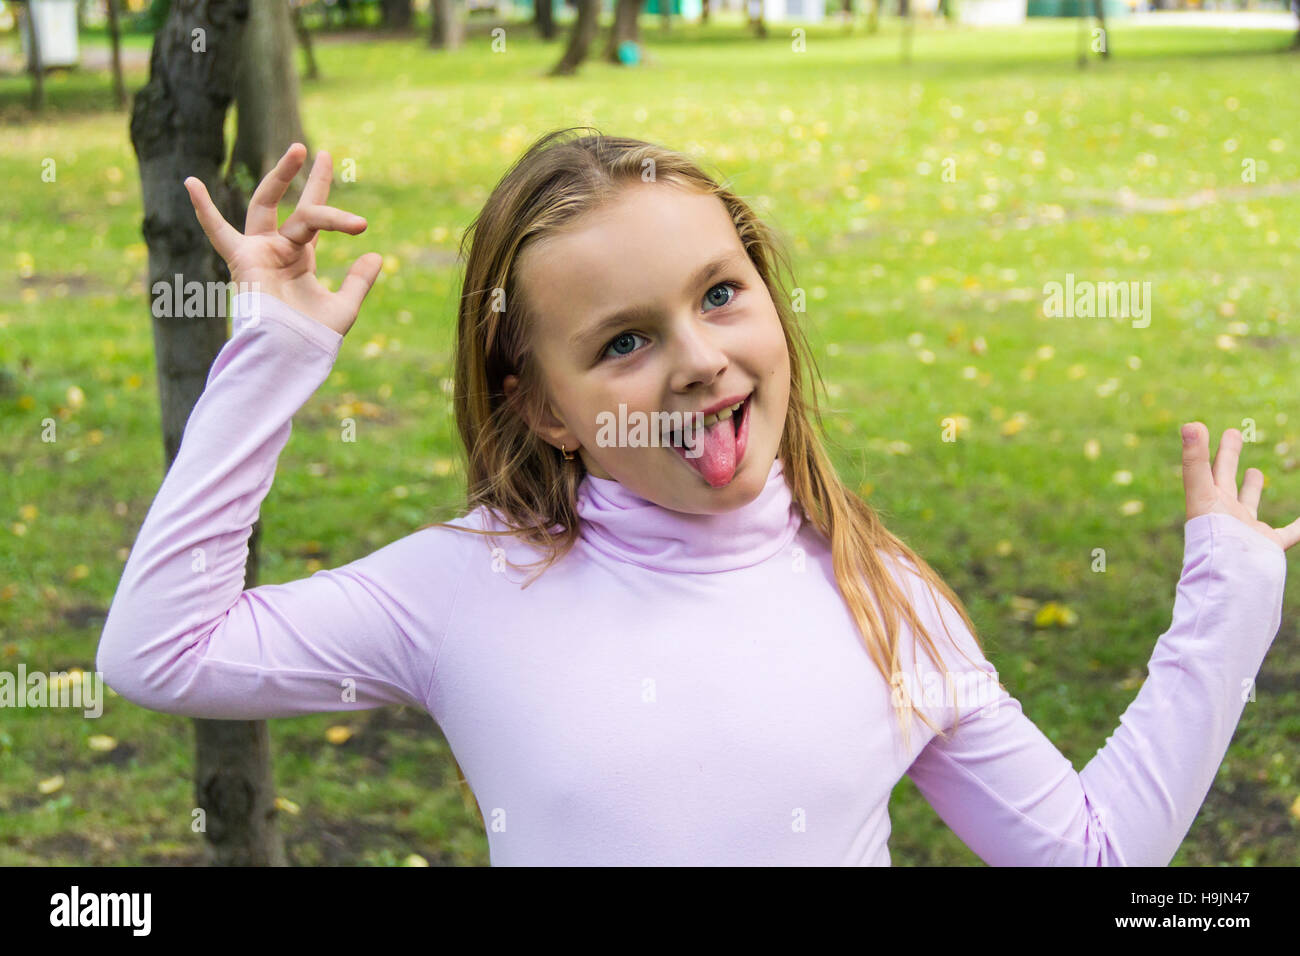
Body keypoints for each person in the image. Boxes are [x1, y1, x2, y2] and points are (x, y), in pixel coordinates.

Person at [97, 130, 1294, 865]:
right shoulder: (465, 585)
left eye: (719, 294)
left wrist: (1228, 601)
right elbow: (160, 651)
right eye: (622, 340)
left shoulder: (886, 599)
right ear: (544, 406)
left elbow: (1087, 851)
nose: (697, 359)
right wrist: (272, 354)